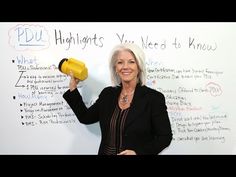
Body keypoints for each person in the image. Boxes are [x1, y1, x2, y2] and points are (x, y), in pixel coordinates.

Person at [63, 43, 172, 155]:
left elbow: (165, 137)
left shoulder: (154, 98)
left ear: (139, 67)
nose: (125, 67)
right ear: (115, 68)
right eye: (120, 62)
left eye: (131, 62)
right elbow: (85, 117)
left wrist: (137, 153)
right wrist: (73, 89)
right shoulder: (107, 94)